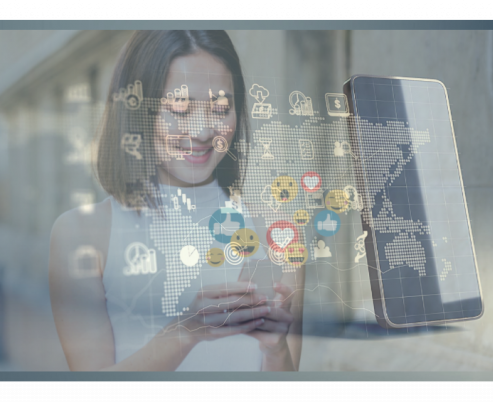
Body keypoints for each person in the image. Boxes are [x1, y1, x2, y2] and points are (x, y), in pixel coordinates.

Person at [49, 30, 304, 371]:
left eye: (220, 107)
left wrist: (276, 350)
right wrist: (186, 332)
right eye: (179, 108)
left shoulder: (277, 232)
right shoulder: (81, 233)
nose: (200, 132)